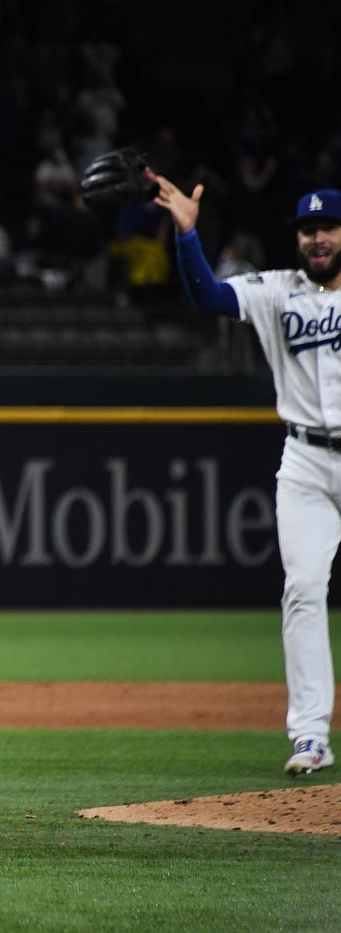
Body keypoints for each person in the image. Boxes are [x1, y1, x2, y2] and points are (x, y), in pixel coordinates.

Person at [153, 173, 338, 777]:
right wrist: (187, 233)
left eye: (328, 228)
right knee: (303, 590)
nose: (318, 239)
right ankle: (311, 735)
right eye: (308, 230)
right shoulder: (276, 291)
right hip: (306, 463)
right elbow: (207, 295)